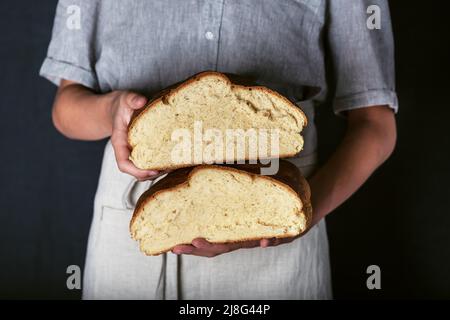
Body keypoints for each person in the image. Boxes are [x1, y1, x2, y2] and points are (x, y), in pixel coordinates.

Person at [40, 0, 398, 299]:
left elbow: (375, 125)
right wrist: (113, 108)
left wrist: (300, 215)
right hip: (134, 220)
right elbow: (66, 108)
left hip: (277, 211)